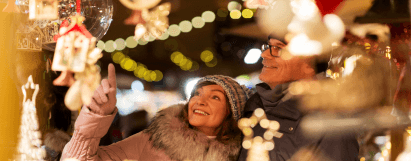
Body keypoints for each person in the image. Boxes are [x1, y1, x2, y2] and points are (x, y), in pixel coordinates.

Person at [61, 63, 253, 161]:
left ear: (232, 113)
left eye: (215, 97)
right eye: (197, 94)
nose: (200, 101)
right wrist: (95, 117)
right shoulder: (155, 139)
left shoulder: (246, 153)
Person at [237, 37, 359, 161]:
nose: (264, 54)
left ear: (309, 63)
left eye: (278, 48)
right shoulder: (250, 109)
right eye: (268, 47)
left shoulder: (330, 120)